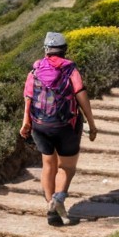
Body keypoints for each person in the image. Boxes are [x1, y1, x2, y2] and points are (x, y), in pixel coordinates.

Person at [19, 32, 98, 226]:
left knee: (48, 165)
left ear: (46, 49)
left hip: (40, 125)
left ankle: (50, 208)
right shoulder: (70, 69)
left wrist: (26, 123)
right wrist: (91, 122)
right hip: (66, 126)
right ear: (64, 50)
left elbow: (28, 98)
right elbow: (80, 93)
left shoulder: (35, 70)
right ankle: (59, 199)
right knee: (67, 167)